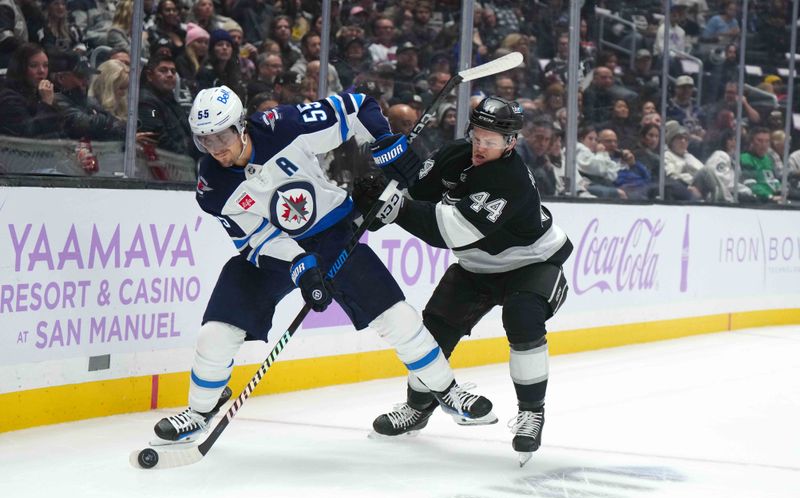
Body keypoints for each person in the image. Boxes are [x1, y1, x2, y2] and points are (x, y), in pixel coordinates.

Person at [151, 86, 495, 444]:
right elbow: (254, 239)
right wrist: (300, 264)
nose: (216, 147)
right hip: (274, 256)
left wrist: (384, 140)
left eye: (222, 135)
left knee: (399, 318)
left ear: (241, 126)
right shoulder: (213, 185)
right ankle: (200, 410)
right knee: (216, 332)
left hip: (333, 237)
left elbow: (355, 106)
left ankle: (447, 391)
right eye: (206, 140)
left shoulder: (281, 126)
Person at [356, 96, 573, 464]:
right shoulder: (457, 153)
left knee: (522, 318)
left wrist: (398, 211)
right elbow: (416, 191)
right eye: (477, 135)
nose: (480, 147)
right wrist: (387, 186)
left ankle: (531, 412)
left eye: (491, 141)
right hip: (476, 266)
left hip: (532, 261)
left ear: (510, 143)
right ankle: (418, 408)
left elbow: (450, 233)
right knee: (432, 334)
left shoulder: (511, 179)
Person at [0, 42, 62, 138]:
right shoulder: (8, 99)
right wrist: (46, 103)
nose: (41, 71)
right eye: (34, 65)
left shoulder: (40, 94)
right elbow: (28, 133)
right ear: (21, 68)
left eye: (45, 65)